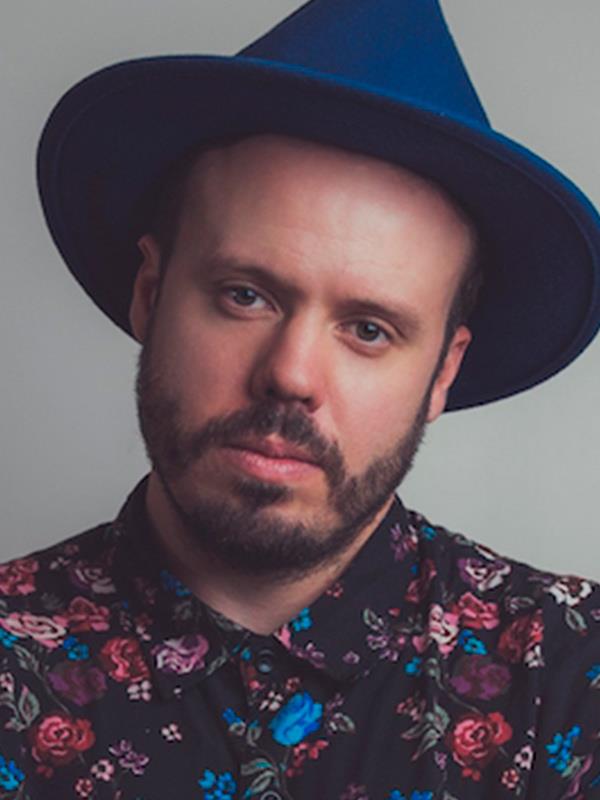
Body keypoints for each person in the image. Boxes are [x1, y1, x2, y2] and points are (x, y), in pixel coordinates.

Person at [2, 1, 600, 798]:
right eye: (245, 295)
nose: (290, 375)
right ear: (150, 294)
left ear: (443, 373)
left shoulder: (572, 675)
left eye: (369, 329)